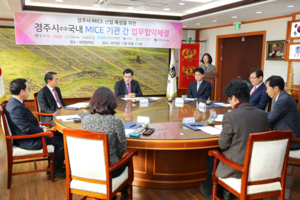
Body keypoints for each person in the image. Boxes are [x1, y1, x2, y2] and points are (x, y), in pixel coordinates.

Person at [200, 80, 268, 200]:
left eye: (229, 99)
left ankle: (212, 192)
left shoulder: (231, 116)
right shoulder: (263, 115)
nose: (230, 102)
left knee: (212, 155)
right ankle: (225, 190)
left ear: (234, 98)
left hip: (238, 168)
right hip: (259, 165)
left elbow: (222, 145)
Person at [4, 78, 65, 178]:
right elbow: (26, 128)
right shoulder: (15, 107)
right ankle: (54, 170)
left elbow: (25, 123)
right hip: (28, 140)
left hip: (29, 135)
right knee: (62, 141)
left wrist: (40, 126)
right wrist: (42, 130)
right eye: (28, 88)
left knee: (59, 133)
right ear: (22, 91)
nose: (29, 90)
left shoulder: (15, 102)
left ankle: (58, 163)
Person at [81, 87, 128, 200]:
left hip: (88, 169)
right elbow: (122, 146)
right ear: (112, 103)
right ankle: (122, 192)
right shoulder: (116, 121)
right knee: (126, 161)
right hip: (110, 170)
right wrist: (116, 158)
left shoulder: (84, 121)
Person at [265, 75, 300, 150]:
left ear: (276, 88)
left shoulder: (283, 100)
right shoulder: (282, 97)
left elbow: (268, 120)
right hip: (284, 138)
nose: (266, 91)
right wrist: (257, 113)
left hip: (290, 140)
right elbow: (273, 114)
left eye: (267, 88)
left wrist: (254, 117)